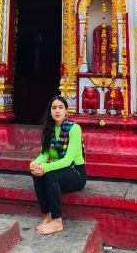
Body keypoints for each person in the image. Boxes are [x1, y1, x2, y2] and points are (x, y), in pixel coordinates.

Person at [29, 95, 86, 235]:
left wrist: (45, 167)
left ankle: (57, 221)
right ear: (50, 112)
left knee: (48, 173)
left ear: (66, 111)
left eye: (61, 107)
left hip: (75, 173)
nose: (57, 111)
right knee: (37, 173)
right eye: (54, 108)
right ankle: (47, 216)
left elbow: (68, 160)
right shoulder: (49, 129)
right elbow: (44, 155)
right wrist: (34, 164)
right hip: (60, 171)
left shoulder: (74, 129)